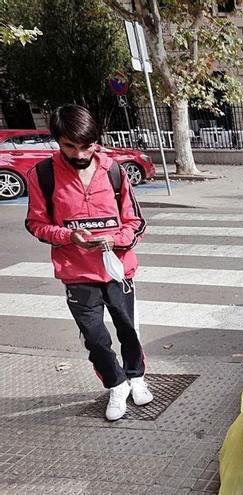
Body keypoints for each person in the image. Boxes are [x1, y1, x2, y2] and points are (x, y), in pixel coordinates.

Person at [24, 104, 149, 421]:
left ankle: (136, 376)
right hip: (76, 273)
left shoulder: (115, 171)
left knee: (128, 329)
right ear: (58, 141)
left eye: (86, 145)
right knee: (94, 337)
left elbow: (135, 222)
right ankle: (116, 384)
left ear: (97, 140)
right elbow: (36, 224)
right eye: (70, 146)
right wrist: (68, 236)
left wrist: (115, 239)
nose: (79, 153)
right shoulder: (43, 175)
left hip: (117, 268)